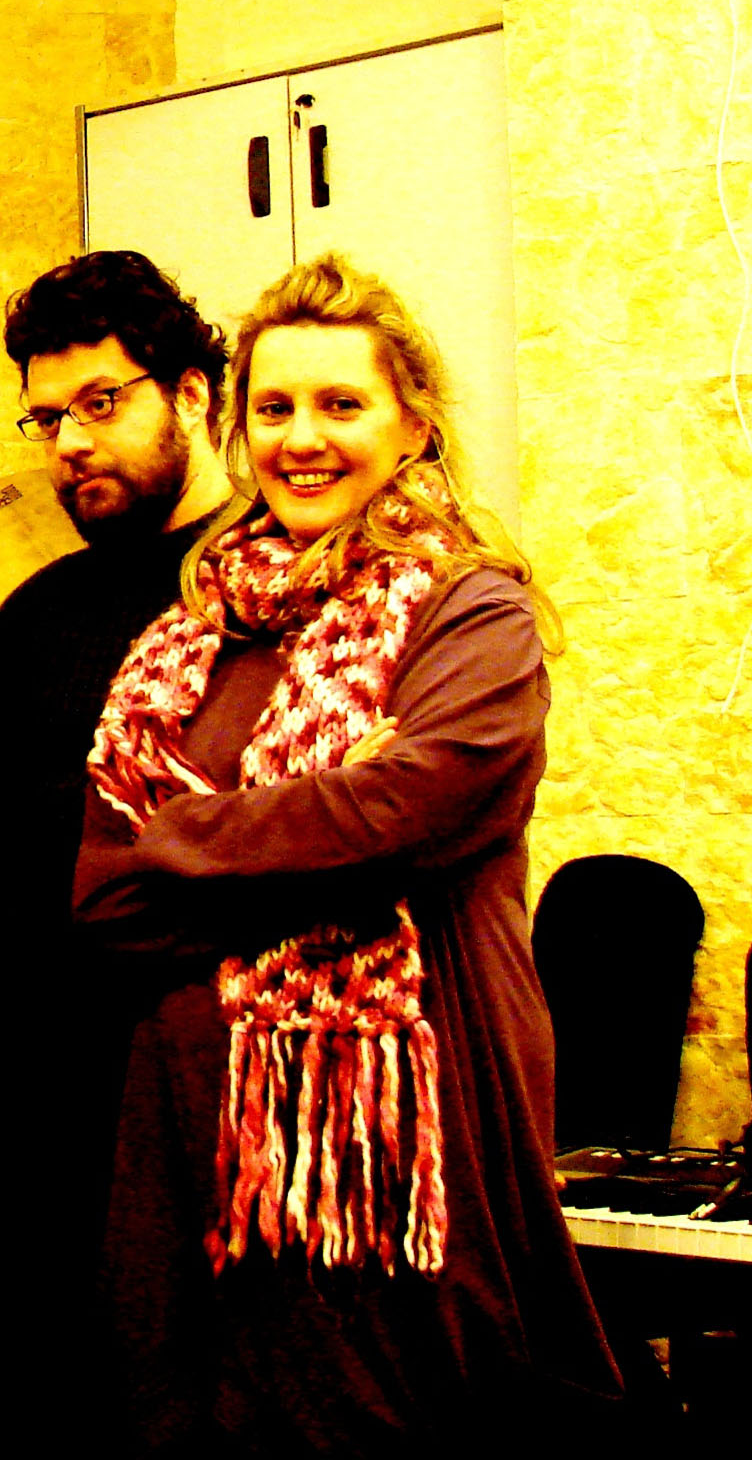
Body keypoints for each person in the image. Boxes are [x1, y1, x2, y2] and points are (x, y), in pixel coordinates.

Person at [73, 253, 621, 1450]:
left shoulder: (472, 613)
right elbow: (106, 898)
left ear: (412, 423)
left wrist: (183, 832)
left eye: (341, 403)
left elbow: (411, 806)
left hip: (406, 1150)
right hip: (189, 1146)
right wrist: (323, 817)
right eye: (273, 407)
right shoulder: (183, 642)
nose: (303, 437)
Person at [0, 250, 233, 1438]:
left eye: (102, 403)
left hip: (227, 1101)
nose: (71, 444)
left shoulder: (270, 588)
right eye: (48, 418)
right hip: (47, 1116)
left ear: (192, 393)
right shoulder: (32, 621)